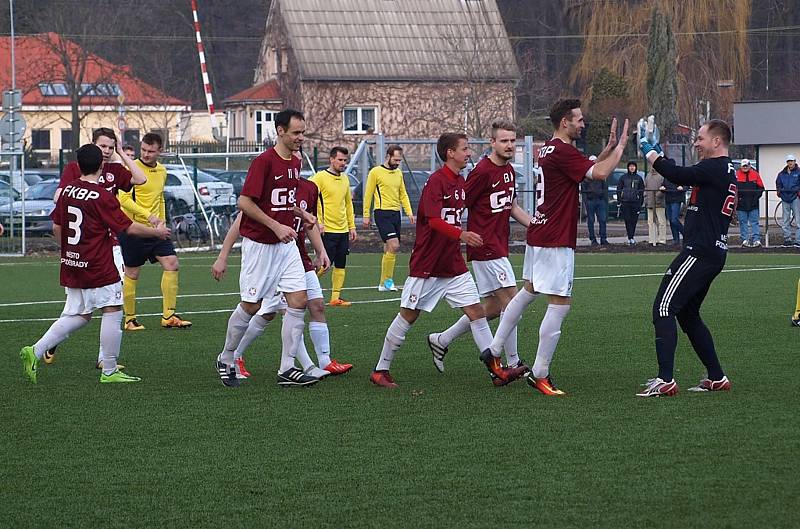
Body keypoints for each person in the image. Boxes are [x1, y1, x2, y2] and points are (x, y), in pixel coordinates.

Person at [481, 99, 629, 396]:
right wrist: (622, 147)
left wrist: (608, 149)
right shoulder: (562, 152)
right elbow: (599, 174)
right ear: (565, 122)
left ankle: (494, 350)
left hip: (541, 230)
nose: (583, 124)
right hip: (556, 237)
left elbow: (583, 168)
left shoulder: (549, 149)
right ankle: (540, 373)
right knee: (560, 304)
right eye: (579, 119)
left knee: (528, 291)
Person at [371, 133, 527, 388]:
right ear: (450, 153)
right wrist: (463, 234)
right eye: (464, 149)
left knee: (477, 312)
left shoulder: (460, 182)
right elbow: (433, 220)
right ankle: (381, 369)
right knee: (409, 315)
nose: (469, 153)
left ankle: (496, 370)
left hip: (453, 263)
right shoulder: (436, 182)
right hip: (428, 263)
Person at [19, 144, 170, 384]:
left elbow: (57, 225)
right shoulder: (101, 196)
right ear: (101, 165)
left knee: (81, 315)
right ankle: (109, 370)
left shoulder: (68, 190)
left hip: (72, 261)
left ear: (78, 166)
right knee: (113, 309)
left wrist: (67, 251)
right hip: (97, 263)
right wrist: (156, 233)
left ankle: (35, 350)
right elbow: (128, 228)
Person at [214, 109, 318, 388]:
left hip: (286, 246)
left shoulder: (295, 162)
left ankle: (287, 368)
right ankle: (226, 357)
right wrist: (275, 226)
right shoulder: (264, 162)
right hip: (261, 245)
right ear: (280, 131)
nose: (300, 138)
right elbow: (245, 203)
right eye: (296, 132)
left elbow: (281, 200)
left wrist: (301, 213)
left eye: (303, 132)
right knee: (252, 305)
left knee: (299, 301)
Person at [212, 178, 353, 380]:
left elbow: (309, 223)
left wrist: (321, 250)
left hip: (297, 257)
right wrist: (222, 256)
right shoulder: (271, 185)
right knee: (265, 310)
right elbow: (241, 220)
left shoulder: (310, 188)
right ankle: (234, 356)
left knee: (313, 304)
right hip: (271, 257)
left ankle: (319, 363)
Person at [636, 119, 737, 397]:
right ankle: (716, 376)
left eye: (701, 138)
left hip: (700, 251)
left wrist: (649, 151)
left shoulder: (715, 167)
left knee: (663, 308)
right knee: (689, 314)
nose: (696, 142)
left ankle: (665, 379)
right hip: (712, 251)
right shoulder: (724, 168)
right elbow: (686, 173)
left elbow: (678, 174)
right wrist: (659, 152)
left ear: (717, 141)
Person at [427, 119, 532, 381]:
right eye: (504, 141)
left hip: (498, 245)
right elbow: (458, 204)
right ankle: (512, 361)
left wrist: (536, 226)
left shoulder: (508, 171)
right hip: (485, 247)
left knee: (494, 308)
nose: (509, 145)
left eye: (512, 140)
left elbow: (512, 207)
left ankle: (442, 339)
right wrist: (455, 237)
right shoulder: (482, 172)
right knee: (512, 301)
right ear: (492, 143)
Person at [45, 127, 147, 367]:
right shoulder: (76, 168)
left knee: (109, 303)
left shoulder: (114, 169)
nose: (107, 151)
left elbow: (140, 179)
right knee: (84, 306)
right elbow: (60, 198)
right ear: (92, 145)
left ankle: (104, 359)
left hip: (109, 245)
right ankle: (53, 341)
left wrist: (123, 153)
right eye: (103, 146)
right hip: (85, 246)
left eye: (111, 147)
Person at [116, 133, 191, 330]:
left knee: (172, 263)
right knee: (132, 273)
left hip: (156, 230)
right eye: (144, 150)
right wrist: (148, 216)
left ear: (160, 151)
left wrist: (162, 221)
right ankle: (130, 319)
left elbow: (160, 198)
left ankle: (169, 316)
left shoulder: (162, 171)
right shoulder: (131, 169)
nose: (147, 154)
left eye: (151, 151)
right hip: (134, 229)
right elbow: (123, 200)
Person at [362, 145, 416, 292]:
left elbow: (403, 194)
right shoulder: (376, 172)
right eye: (396, 159)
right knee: (394, 245)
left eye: (400, 160)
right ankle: (388, 281)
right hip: (382, 213)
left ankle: (383, 284)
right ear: (388, 156)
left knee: (388, 248)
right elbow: (368, 194)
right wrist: (366, 215)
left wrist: (409, 212)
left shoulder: (398, 173)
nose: (398, 162)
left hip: (395, 214)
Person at [311, 146, 357, 306]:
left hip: (343, 229)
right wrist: (318, 222)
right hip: (327, 230)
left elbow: (348, 204)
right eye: (340, 160)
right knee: (325, 264)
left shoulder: (345, 179)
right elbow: (311, 200)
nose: (343, 163)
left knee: (341, 264)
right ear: (331, 159)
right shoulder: (319, 178)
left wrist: (352, 227)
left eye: (345, 160)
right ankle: (302, 286)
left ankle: (335, 298)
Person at [581, 155, 609, 246]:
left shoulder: (600, 174)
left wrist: (605, 200)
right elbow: (583, 191)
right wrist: (586, 202)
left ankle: (603, 238)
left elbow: (605, 188)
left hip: (600, 200)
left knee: (602, 220)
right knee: (591, 220)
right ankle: (593, 239)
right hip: (590, 200)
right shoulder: (585, 177)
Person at [735, 159, 764, 247]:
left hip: (753, 203)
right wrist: (737, 199)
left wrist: (755, 199)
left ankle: (756, 240)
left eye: (746, 165)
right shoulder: (736, 174)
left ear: (749, 166)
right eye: (743, 166)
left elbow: (761, 188)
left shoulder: (755, 174)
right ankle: (745, 240)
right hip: (741, 203)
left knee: (754, 222)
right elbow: (733, 188)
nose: (745, 167)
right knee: (743, 222)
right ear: (741, 166)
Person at [775, 154, 800, 247]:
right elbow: (778, 183)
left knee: (798, 220)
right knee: (785, 220)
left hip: (795, 198)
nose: (790, 163)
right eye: (789, 161)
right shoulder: (781, 173)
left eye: (792, 161)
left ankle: (798, 240)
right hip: (785, 198)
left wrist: (798, 194)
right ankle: (787, 239)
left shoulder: (799, 172)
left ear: (795, 161)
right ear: (787, 162)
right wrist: (779, 192)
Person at [617, 161, 644, 245]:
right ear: (628, 167)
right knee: (627, 220)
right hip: (625, 202)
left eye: (633, 166)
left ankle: (632, 237)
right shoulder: (623, 177)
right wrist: (619, 200)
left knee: (634, 221)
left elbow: (641, 191)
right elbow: (619, 189)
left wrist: (640, 203)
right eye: (630, 166)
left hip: (635, 202)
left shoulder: (639, 178)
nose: (632, 168)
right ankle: (630, 237)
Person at [644, 168, 667, 246]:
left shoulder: (662, 176)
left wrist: (658, 196)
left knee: (661, 222)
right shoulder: (648, 176)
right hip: (650, 203)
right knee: (650, 222)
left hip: (659, 203)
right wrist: (646, 199)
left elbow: (664, 188)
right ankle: (652, 239)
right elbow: (645, 188)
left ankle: (662, 240)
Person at [663, 178, 685, 246]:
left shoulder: (679, 174)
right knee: (671, 220)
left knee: (674, 219)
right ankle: (676, 240)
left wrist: (682, 187)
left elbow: (686, 185)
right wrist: (662, 187)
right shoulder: (666, 177)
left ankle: (686, 234)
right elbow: (664, 185)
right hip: (668, 199)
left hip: (676, 199)